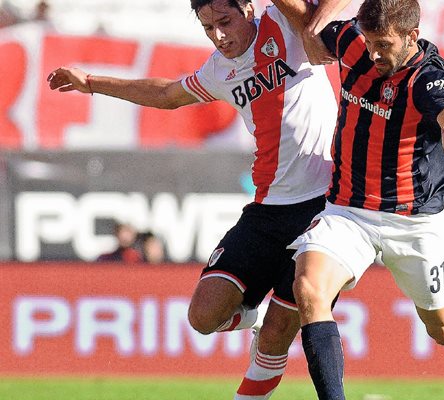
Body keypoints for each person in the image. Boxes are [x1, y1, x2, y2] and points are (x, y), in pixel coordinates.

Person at [47, 0, 349, 397]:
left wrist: (313, 24)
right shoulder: (219, 70)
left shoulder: (287, 24)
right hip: (265, 212)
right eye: (208, 28)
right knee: (203, 316)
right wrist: (92, 82)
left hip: (322, 207)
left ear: (249, 9)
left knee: (278, 334)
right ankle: (252, 316)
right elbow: (169, 94)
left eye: (225, 22)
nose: (219, 36)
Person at [271, 0, 444, 399]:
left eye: (385, 45)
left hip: (411, 223)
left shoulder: (429, 78)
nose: (375, 53)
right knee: (309, 288)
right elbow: (307, 17)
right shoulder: (353, 42)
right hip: (347, 212)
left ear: (412, 36)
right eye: (370, 42)